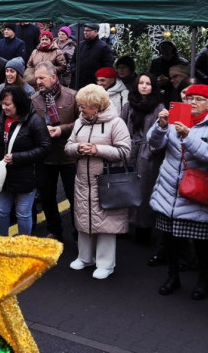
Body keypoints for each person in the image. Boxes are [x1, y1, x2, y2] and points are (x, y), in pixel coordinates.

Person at [148, 84, 208, 299]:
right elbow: (154, 144)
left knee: (200, 242)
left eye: (199, 99)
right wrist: (161, 126)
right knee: (172, 238)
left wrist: (188, 134)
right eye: (190, 97)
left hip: (196, 192)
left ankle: (204, 279)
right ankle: (172, 276)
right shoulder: (177, 117)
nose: (192, 102)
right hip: (169, 191)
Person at [65, 84, 132, 280]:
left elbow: (125, 152)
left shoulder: (116, 123)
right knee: (83, 220)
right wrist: (78, 148)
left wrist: (97, 150)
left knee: (107, 224)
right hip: (83, 181)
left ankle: (106, 264)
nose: (80, 110)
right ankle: (85, 258)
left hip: (106, 182)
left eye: (84, 106)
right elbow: (68, 146)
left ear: (97, 106)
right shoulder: (79, 122)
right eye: (80, 106)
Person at [0, 86, 51, 236]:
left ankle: (23, 246)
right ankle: (3, 242)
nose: (4, 107)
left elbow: (45, 148)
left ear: (19, 104)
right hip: (3, 176)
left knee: (23, 213)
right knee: (1, 210)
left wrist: (18, 157)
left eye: (8, 104)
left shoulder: (35, 121)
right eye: (2, 104)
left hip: (27, 175)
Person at [29, 61, 79, 241]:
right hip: (45, 157)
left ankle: (78, 230)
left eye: (42, 78)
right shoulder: (34, 99)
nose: (38, 82)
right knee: (48, 197)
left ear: (53, 77)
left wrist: (62, 129)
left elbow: (81, 123)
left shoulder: (72, 96)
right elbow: (30, 126)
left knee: (74, 198)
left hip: (69, 156)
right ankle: (54, 230)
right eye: (36, 79)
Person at [119, 73, 165, 244]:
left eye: (148, 83)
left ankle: (144, 228)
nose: (144, 86)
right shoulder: (128, 105)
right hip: (129, 149)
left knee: (145, 190)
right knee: (126, 187)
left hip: (149, 152)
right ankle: (123, 225)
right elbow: (120, 126)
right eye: (141, 83)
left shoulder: (159, 107)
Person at [72, 23, 113, 89]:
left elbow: (108, 66)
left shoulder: (104, 47)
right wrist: (75, 71)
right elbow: (73, 61)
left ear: (96, 31)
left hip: (95, 84)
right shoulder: (80, 45)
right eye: (84, 30)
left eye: (88, 30)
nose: (85, 32)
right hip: (79, 83)